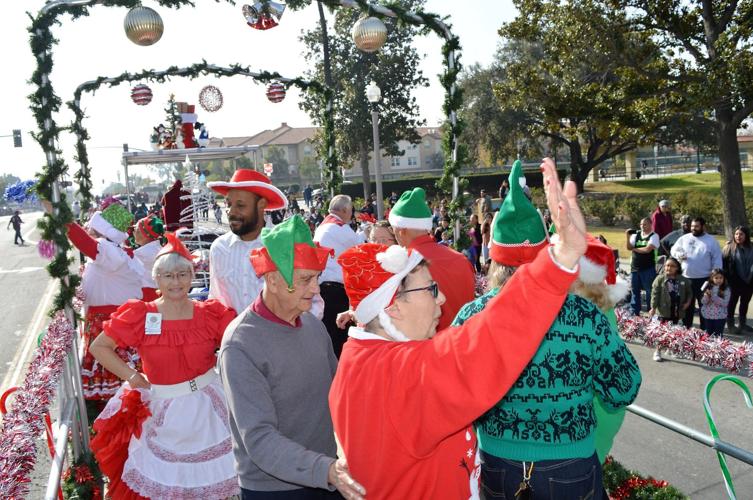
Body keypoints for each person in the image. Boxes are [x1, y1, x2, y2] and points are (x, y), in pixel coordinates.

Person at [330, 157, 592, 498]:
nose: (440, 302)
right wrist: (560, 260)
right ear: (392, 306)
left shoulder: (358, 353)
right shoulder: (403, 374)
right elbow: (486, 344)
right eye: (429, 289)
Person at [452, 161, 640, 499]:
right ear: (546, 255)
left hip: (498, 465)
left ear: (494, 261)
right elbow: (624, 388)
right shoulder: (584, 314)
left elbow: (450, 392)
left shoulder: (472, 315)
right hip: (572, 464)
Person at [218, 215, 363, 500]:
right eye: (306, 279)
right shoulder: (240, 345)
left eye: (317, 277)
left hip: (329, 475)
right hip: (276, 489)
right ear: (272, 280)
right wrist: (327, 469)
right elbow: (259, 440)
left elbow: (339, 396)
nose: (316, 288)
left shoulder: (311, 325)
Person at [89, 233, 239, 499]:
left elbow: (240, 345)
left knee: (216, 481)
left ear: (192, 277)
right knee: (170, 483)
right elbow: (99, 347)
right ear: (156, 279)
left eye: (183, 274)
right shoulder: (140, 314)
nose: (176, 282)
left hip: (210, 408)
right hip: (163, 410)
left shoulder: (212, 313)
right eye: (168, 276)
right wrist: (132, 376)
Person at [57, 201, 145, 406]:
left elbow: (83, 242)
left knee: (116, 390)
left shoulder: (108, 251)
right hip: (107, 323)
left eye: (92, 226)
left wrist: (61, 214)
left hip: (108, 325)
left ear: (104, 230)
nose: (88, 229)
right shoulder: (115, 252)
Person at [388, 187, 475, 331]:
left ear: (401, 231)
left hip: (429, 346)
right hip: (464, 341)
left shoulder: (403, 264)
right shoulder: (461, 259)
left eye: (393, 230)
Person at [206, 169, 288, 315]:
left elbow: (310, 301)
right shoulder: (219, 248)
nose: (231, 212)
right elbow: (216, 299)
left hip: (280, 335)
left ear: (261, 205)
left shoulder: (285, 244)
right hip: (234, 336)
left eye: (240, 205)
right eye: (229, 204)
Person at [313, 194, 362, 358]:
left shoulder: (322, 226)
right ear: (345, 210)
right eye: (350, 211)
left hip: (321, 288)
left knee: (328, 338)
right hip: (337, 292)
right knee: (340, 340)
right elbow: (360, 249)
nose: (351, 215)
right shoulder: (340, 228)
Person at [671, 217, 723, 329]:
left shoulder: (711, 241)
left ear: (703, 227)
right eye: (692, 226)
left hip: (704, 280)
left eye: (696, 226)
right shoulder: (684, 238)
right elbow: (673, 250)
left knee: (704, 305)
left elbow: (717, 260)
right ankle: (686, 328)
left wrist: (714, 279)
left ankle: (705, 330)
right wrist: (678, 254)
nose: (693, 228)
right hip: (686, 278)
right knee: (687, 305)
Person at [649, 257, 692, 361]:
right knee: (662, 332)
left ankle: (670, 349)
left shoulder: (683, 280)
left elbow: (689, 293)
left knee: (674, 331)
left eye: (672, 266)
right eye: (667, 265)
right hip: (663, 311)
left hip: (677, 310)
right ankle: (658, 351)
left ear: (677, 268)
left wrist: (687, 303)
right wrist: (653, 307)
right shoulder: (660, 279)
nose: (669, 268)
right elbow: (655, 294)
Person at [722, 226, 753, 334]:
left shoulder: (751, 247)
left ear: (746, 235)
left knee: (744, 303)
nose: (738, 236)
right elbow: (724, 264)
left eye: (741, 234)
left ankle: (742, 324)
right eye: (736, 234)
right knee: (731, 303)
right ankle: (730, 325)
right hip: (733, 281)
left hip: (749, 281)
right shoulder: (729, 248)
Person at [626, 217, 659, 315]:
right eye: (641, 224)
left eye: (645, 224)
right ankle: (634, 313)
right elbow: (628, 247)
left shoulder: (654, 236)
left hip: (648, 268)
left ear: (650, 225)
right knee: (635, 291)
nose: (642, 226)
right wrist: (627, 237)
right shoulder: (635, 235)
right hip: (635, 268)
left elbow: (647, 250)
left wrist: (634, 248)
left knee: (649, 291)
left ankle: (650, 312)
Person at [132, 214, 165, 302]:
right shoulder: (161, 249)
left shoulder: (140, 254)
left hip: (145, 295)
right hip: (161, 294)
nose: (133, 233)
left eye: (135, 230)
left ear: (143, 234)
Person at [701, 268, 731, 337]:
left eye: (721, 278)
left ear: (724, 278)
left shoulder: (726, 289)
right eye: (716, 278)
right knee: (708, 335)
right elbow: (703, 302)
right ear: (712, 278)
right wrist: (706, 296)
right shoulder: (707, 287)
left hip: (720, 317)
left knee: (718, 335)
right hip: (708, 316)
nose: (719, 280)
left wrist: (713, 296)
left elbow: (725, 303)